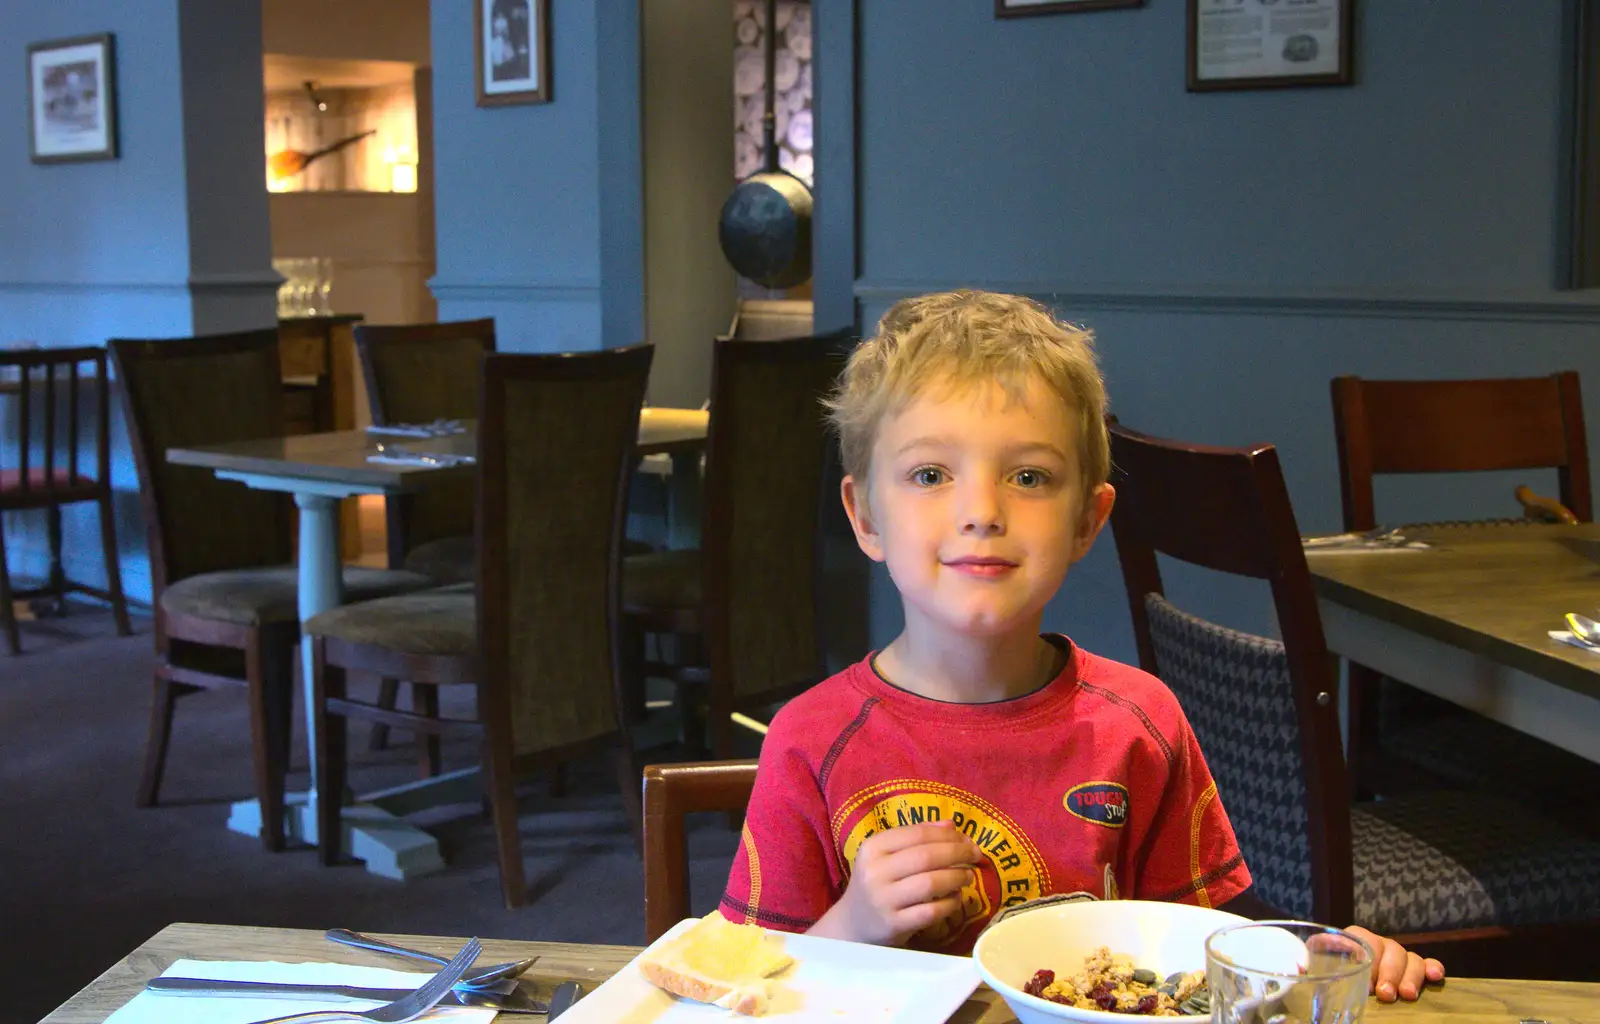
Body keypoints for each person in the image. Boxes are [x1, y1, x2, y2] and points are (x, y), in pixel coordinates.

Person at [718, 289, 1446, 1001]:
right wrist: (853, 924)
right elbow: (743, 989)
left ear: (1087, 521)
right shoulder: (810, 742)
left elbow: (1199, 973)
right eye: (930, 474)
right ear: (866, 516)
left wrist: (1326, 962)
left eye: (1029, 476)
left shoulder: (1138, 724)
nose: (981, 511)